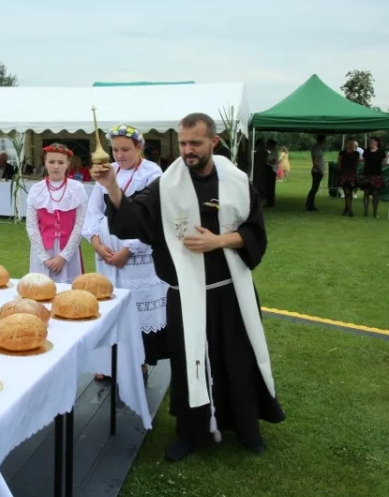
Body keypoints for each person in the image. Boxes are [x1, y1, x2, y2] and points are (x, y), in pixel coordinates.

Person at [92, 112, 284, 461]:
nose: (188, 150)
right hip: (184, 293)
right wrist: (113, 189)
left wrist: (220, 241)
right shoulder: (168, 184)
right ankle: (190, 432)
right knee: (186, 361)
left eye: (195, 143)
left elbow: (256, 232)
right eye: (182, 143)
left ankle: (245, 427)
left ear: (214, 141)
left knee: (237, 359)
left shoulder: (237, 181)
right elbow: (136, 218)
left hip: (229, 290)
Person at [83, 124, 169, 382]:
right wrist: (97, 242)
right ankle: (108, 362)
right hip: (107, 257)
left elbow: (151, 218)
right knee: (110, 307)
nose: (119, 155)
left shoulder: (152, 173)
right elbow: (94, 210)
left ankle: (138, 362)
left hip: (137, 261)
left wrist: (128, 249)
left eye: (125, 150)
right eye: (115, 150)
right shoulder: (110, 171)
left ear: (139, 147)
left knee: (136, 310)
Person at [25, 143, 88, 282]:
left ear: (68, 164)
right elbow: (31, 226)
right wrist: (44, 257)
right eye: (51, 162)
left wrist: (63, 256)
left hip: (68, 252)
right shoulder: (37, 190)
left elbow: (80, 225)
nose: (55, 166)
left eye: (60, 162)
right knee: (41, 291)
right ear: (45, 163)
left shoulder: (77, 189)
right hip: (43, 250)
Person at [359, 137, 386, 218]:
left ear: (376, 142)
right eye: (369, 141)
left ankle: (375, 212)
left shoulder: (381, 152)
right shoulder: (366, 151)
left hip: (377, 174)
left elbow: (384, 162)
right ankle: (365, 212)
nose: (370, 143)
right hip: (367, 174)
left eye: (372, 141)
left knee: (375, 193)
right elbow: (364, 162)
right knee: (366, 193)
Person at [338, 138, 361, 217]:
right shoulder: (342, 153)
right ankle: (350, 210)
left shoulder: (356, 153)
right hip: (344, 174)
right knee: (347, 192)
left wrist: (354, 173)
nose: (347, 144)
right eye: (346, 143)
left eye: (348, 143)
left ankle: (346, 209)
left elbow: (357, 164)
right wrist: (341, 173)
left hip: (352, 174)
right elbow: (339, 163)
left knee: (350, 193)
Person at [305, 134, 326, 211]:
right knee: (314, 189)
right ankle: (308, 205)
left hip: (317, 171)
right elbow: (315, 162)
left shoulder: (318, 148)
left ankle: (311, 205)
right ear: (322, 141)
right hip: (317, 172)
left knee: (315, 189)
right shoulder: (317, 149)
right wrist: (321, 171)